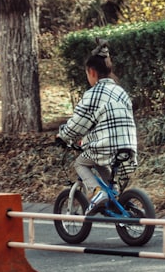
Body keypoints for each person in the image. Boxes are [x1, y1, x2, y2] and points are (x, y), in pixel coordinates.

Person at [56, 41, 137, 214]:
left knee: (80, 163)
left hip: (106, 145)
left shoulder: (94, 94)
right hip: (128, 145)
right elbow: (103, 121)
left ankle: (97, 191)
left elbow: (78, 122)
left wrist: (63, 136)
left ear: (92, 72)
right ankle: (113, 192)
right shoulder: (120, 91)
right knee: (99, 160)